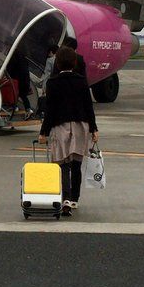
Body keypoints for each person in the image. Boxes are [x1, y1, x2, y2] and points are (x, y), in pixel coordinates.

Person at [39, 45, 98, 215]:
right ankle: (74, 199)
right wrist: (94, 128)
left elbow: (50, 111)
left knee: (62, 163)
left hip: (60, 125)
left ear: (57, 64)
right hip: (81, 125)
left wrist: (43, 132)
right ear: (74, 62)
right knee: (76, 164)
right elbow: (88, 107)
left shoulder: (53, 83)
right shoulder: (81, 81)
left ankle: (65, 198)